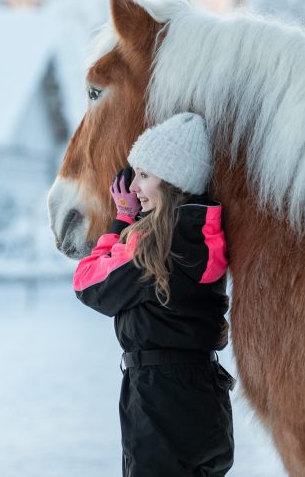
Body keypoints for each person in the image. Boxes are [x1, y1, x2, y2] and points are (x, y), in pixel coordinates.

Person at [72, 112, 235, 476]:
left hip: (157, 399)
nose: (133, 188)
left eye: (144, 175)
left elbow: (88, 284)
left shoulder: (152, 248)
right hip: (207, 393)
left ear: (172, 180)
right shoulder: (208, 239)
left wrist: (121, 222)